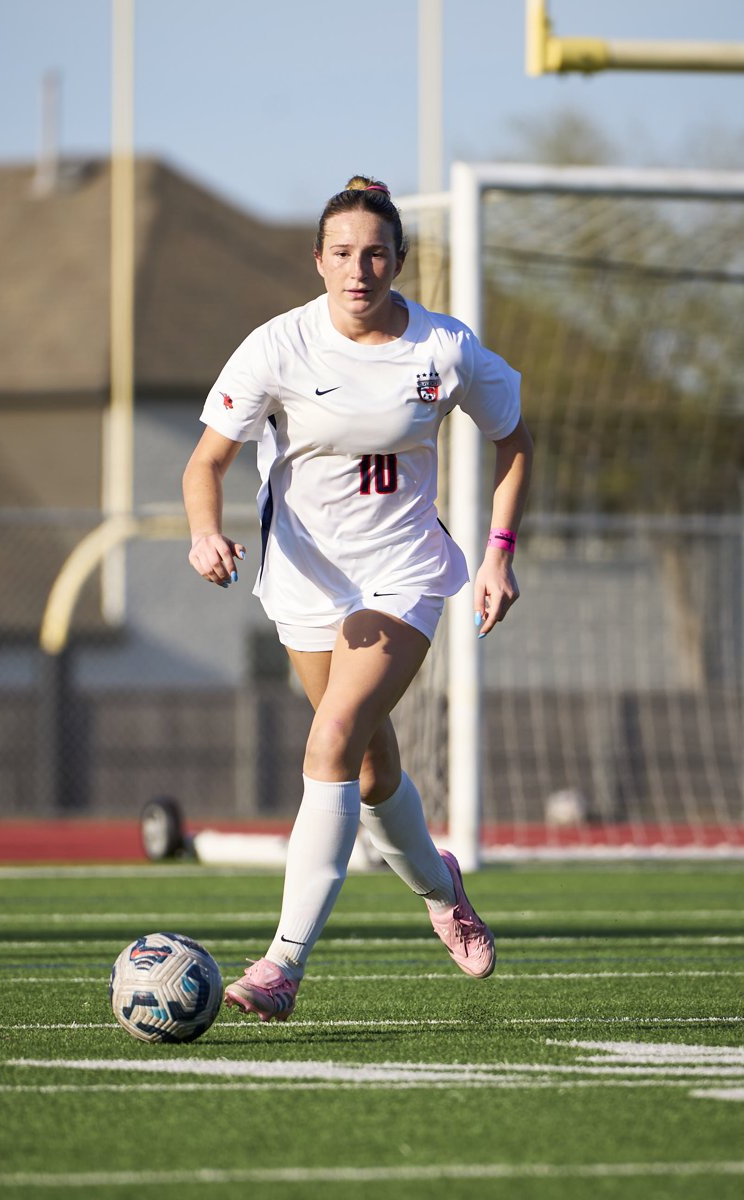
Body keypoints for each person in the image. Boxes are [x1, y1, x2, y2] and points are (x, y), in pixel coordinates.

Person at [182, 175, 533, 1023]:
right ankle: (442, 889)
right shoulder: (277, 346)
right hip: (305, 580)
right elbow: (205, 464)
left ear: (399, 260)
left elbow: (516, 440)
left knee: (331, 735)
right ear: (318, 260)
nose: (358, 269)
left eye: (375, 253)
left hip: (404, 572)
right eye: (342, 253)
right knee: (370, 768)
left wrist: (498, 554)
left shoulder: (444, 349)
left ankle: (282, 963)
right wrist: (204, 532)